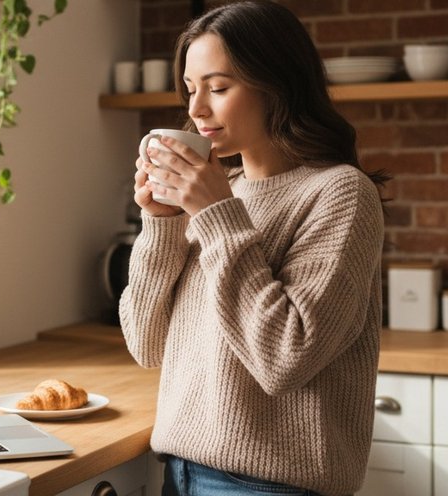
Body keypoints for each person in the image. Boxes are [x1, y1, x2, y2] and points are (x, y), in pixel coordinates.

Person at [119, 2, 389, 495]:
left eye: (219, 88)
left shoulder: (340, 193)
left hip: (268, 486)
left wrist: (216, 215)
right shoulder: (221, 195)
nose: (197, 110)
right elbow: (146, 344)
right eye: (190, 89)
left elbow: (286, 358)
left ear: (277, 84)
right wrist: (160, 224)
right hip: (179, 470)